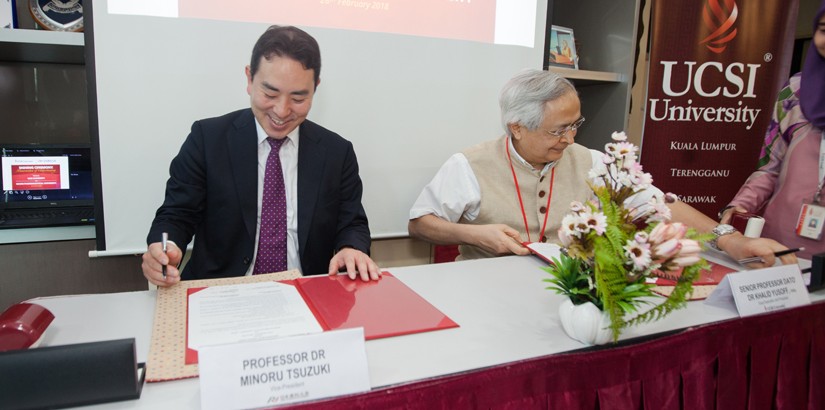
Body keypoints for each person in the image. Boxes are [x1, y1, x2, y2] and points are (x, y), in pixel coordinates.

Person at [408, 68, 797, 267]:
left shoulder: (593, 161)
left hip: (571, 291)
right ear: (517, 127)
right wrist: (473, 234)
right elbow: (420, 223)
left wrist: (731, 239)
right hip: (486, 296)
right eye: (558, 130)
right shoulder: (470, 163)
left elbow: (658, 204)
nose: (570, 139)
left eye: (576, 125)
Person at [142, 25, 380, 287]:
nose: (281, 110)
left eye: (298, 98)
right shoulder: (207, 139)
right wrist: (166, 247)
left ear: (316, 88)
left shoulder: (337, 152)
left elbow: (352, 222)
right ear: (249, 78)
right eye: (270, 93)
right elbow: (176, 214)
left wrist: (351, 247)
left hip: (305, 293)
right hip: (220, 293)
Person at [720, 1, 825, 260]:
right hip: (778, 240)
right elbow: (770, 165)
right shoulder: (796, 91)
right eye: (824, 28)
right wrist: (741, 205)